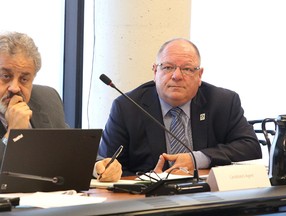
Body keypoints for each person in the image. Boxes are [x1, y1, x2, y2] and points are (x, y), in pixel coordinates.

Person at [95, 38, 262, 182]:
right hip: (148, 200)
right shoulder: (127, 107)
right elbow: (108, 164)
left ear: (200, 75)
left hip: (207, 198)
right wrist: (112, 172)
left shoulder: (223, 102)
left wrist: (196, 159)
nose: (176, 76)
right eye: (167, 67)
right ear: (155, 71)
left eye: (187, 69)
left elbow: (250, 148)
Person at [0, 31, 68, 163]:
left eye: (24, 79)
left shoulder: (48, 98)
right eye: (5, 76)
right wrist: (13, 133)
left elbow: (68, 146)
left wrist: (97, 165)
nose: (14, 88)